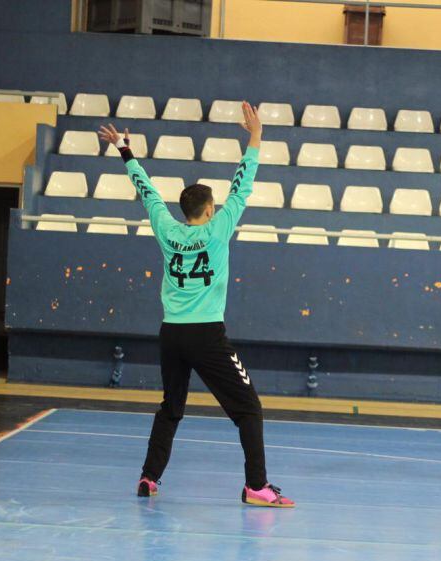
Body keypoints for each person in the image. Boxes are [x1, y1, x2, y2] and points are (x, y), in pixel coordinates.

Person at [97, 104, 294, 508]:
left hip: (171, 334)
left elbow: (147, 192)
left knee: (171, 406)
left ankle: (149, 478)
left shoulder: (167, 228)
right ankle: (256, 486)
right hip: (206, 334)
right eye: (215, 206)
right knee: (249, 408)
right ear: (208, 210)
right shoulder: (220, 229)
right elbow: (244, 184)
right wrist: (255, 136)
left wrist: (125, 150)